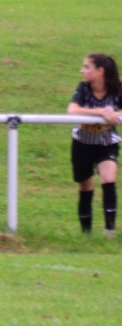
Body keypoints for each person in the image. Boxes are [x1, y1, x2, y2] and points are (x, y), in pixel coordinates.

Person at [67, 53, 121, 236]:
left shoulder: (117, 89)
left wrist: (115, 115)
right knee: (85, 186)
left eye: (86, 67)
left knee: (108, 179)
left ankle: (109, 231)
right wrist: (100, 112)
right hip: (82, 143)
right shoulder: (83, 88)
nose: (82, 70)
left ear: (100, 71)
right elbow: (72, 110)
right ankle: (86, 234)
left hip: (106, 143)